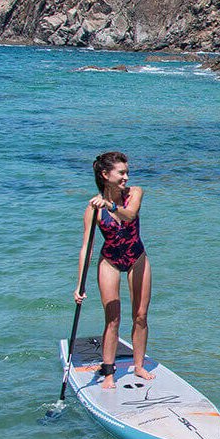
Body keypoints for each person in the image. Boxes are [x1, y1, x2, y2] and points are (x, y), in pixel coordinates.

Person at [73, 151, 154, 389]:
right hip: (109, 261)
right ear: (105, 174)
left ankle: (138, 366)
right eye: (121, 172)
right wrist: (79, 285)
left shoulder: (135, 194)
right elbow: (86, 248)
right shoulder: (92, 209)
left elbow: (129, 216)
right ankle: (108, 373)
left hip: (136, 258)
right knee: (113, 318)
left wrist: (109, 204)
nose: (126, 177)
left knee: (140, 315)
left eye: (127, 172)